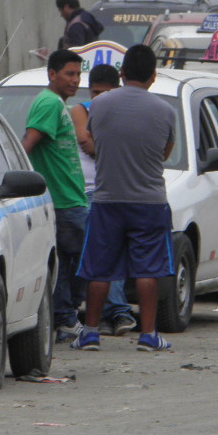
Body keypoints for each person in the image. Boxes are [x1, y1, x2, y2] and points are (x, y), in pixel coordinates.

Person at [74, 44, 178, 353]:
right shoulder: (165, 110)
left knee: (99, 268)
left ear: (121, 73)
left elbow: (93, 142)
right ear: (153, 76)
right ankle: (148, 335)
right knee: (147, 269)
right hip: (150, 201)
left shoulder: (101, 105)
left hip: (107, 199)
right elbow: (165, 154)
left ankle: (90, 333)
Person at [20, 49, 92, 341]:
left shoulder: (58, 103)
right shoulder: (49, 103)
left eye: (78, 74)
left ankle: (64, 317)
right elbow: (28, 142)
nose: (75, 80)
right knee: (71, 263)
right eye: (69, 74)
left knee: (73, 260)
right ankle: (64, 319)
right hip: (61, 201)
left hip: (72, 197)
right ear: (52, 74)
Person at [68, 63, 138, 337]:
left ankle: (116, 313)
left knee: (111, 253)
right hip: (84, 192)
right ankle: (112, 311)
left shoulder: (124, 113)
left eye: (105, 94)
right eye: (95, 93)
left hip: (113, 190)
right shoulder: (80, 110)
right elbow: (86, 142)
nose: (100, 99)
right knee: (95, 253)